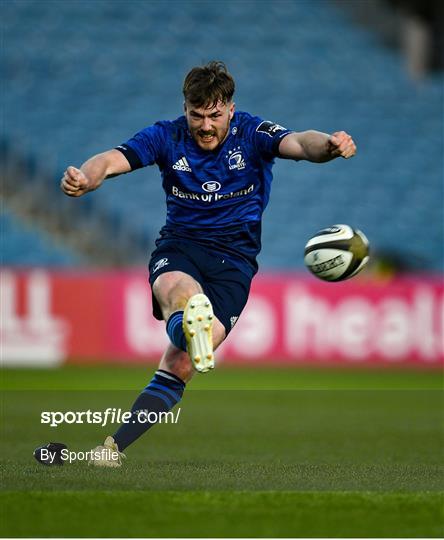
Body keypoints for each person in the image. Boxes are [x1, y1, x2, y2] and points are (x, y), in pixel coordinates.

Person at [60, 61, 356, 467]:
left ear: (230, 110)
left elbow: (302, 144)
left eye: (214, 115)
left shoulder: (252, 133)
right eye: (196, 115)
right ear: (185, 108)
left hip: (235, 260)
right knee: (180, 293)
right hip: (181, 244)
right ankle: (189, 316)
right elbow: (111, 159)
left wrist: (331, 145)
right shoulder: (166, 136)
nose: (205, 125)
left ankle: (112, 448)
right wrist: (87, 177)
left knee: (182, 361)